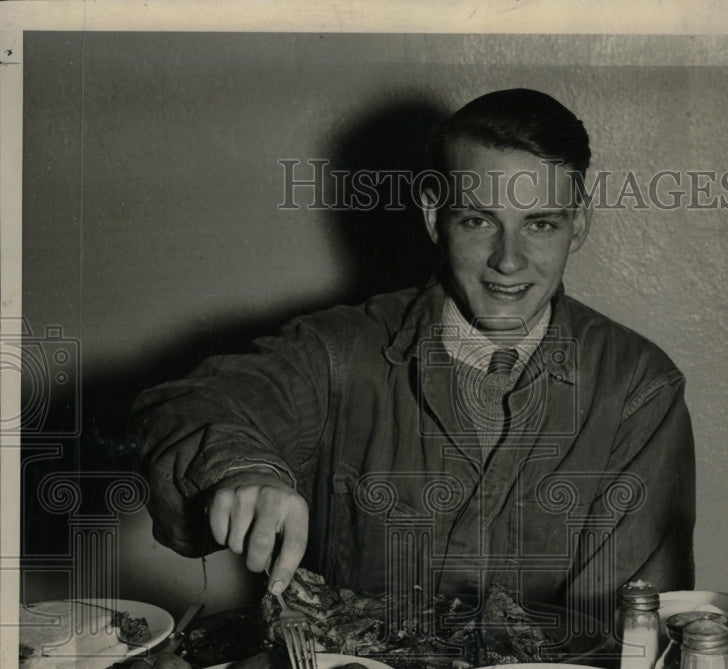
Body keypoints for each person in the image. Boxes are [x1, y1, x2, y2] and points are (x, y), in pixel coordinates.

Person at [130, 88, 695, 623]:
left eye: (540, 224)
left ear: (580, 225)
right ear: (434, 216)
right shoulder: (338, 353)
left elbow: (629, 635)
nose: (508, 260)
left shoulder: (638, 389)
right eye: (478, 221)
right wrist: (244, 468)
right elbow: (187, 405)